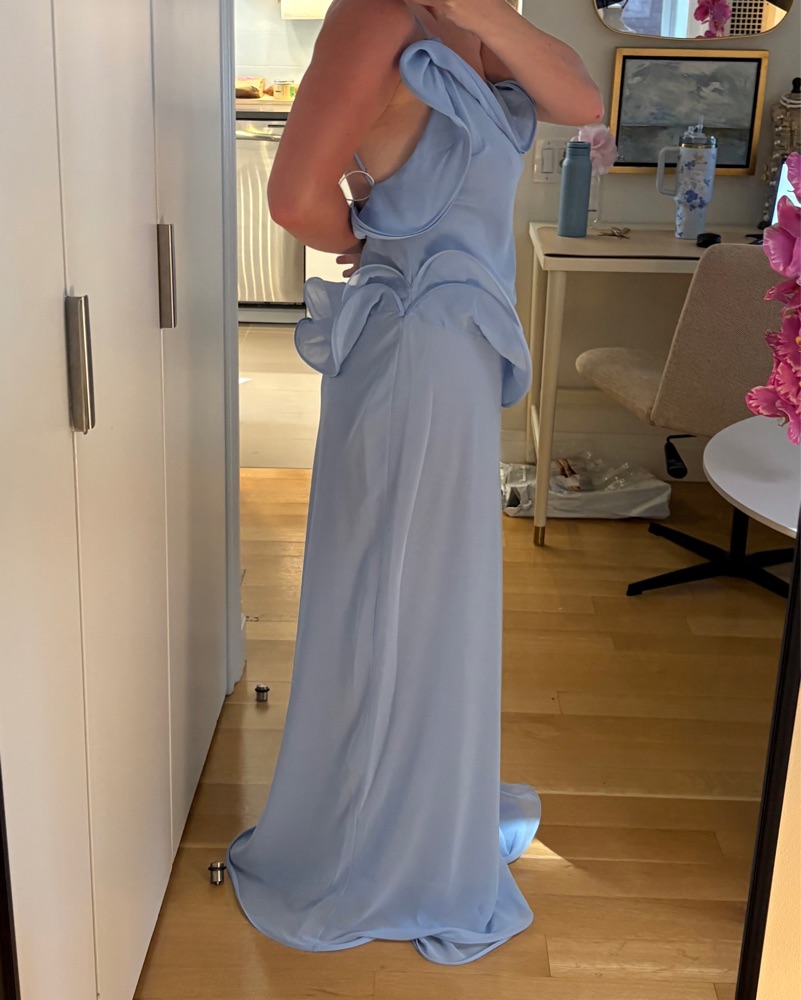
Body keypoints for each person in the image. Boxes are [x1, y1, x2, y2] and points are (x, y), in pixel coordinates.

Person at [227, 0, 602, 965]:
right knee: (392, 596)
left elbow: (579, 96)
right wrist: (370, 240)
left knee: (432, 596)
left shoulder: (483, 23)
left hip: (458, 349)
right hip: (412, 344)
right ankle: (371, 846)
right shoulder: (375, 15)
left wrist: (480, 13)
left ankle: (423, 813)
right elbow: (292, 198)